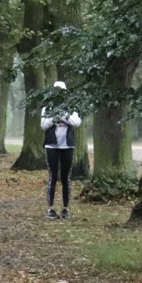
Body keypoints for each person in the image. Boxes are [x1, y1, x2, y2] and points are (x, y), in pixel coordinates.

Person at [41, 82, 79, 220]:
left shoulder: (72, 108)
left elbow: (76, 122)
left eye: (61, 92)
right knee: (52, 176)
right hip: (51, 146)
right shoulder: (46, 108)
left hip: (67, 146)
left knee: (65, 177)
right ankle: (50, 208)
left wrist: (63, 115)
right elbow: (43, 125)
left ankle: (65, 208)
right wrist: (54, 116)